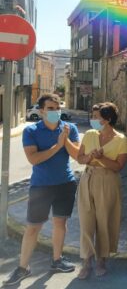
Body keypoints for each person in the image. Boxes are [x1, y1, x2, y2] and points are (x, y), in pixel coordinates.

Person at [3, 94, 80, 286]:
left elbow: (78, 155)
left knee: (60, 223)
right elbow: (34, 159)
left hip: (65, 184)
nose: (55, 112)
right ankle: (23, 267)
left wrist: (66, 140)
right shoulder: (31, 131)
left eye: (57, 107)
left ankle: (57, 260)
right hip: (41, 186)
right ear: (42, 110)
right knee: (33, 227)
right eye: (51, 108)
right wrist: (57, 146)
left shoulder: (71, 129)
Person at [76, 102, 127, 279]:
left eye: (96, 117)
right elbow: (80, 158)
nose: (93, 120)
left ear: (107, 119)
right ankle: (86, 261)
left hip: (108, 180)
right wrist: (91, 156)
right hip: (87, 179)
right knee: (86, 221)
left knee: (105, 221)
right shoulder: (90, 135)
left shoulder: (121, 140)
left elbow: (118, 166)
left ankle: (101, 260)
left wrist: (102, 158)